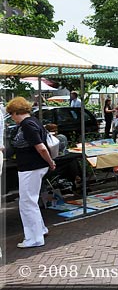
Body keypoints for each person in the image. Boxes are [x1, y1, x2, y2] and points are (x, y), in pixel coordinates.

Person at [5, 97, 56, 248]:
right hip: (35, 166)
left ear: (15, 112)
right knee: (30, 201)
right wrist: (49, 162)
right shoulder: (34, 121)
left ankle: (34, 238)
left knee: (27, 202)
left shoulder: (27, 125)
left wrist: (50, 162)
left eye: (11, 114)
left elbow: (41, 147)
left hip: (30, 167)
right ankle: (40, 230)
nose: (12, 118)